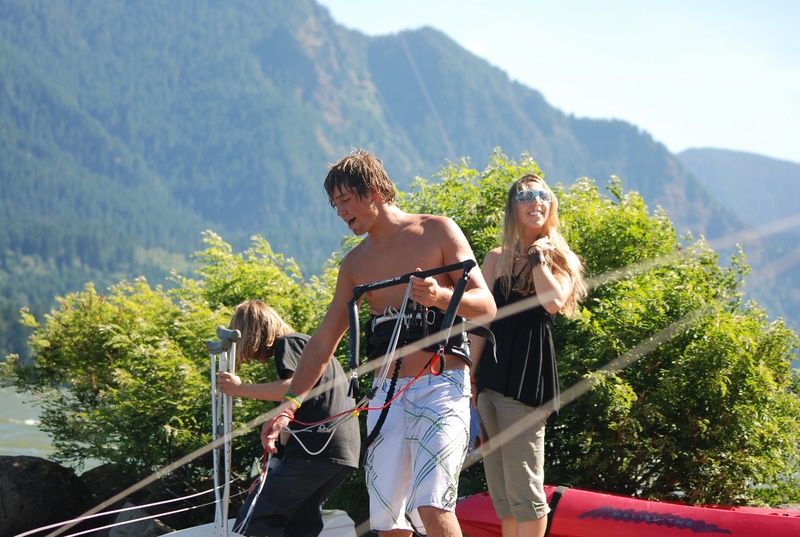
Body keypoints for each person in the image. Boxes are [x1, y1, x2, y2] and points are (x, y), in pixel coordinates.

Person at [262, 149, 497, 537]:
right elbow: (323, 340)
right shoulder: (355, 264)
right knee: (388, 522)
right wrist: (290, 405)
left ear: (373, 191)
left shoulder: (437, 230)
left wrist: (440, 297)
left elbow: (486, 305)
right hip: (386, 397)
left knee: (432, 503)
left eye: (345, 200)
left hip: (441, 387)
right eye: (334, 204)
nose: (340, 212)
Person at [469, 174, 587, 537]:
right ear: (513, 208)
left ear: (551, 205)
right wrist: (468, 375)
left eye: (542, 195)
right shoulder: (496, 259)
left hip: (526, 382)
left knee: (526, 492)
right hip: (489, 381)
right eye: (525, 196)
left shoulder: (558, 257)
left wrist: (538, 257)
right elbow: (481, 321)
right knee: (503, 495)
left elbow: (553, 302)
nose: (535, 201)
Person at [217, 299, 360, 537]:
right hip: (337, 452)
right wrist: (272, 470)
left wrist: (241, 389)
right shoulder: (307, 346)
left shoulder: (290, 342)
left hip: (314, 448)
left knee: (256, 516)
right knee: (298, 524)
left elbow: (292, 388)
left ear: (253, 332)